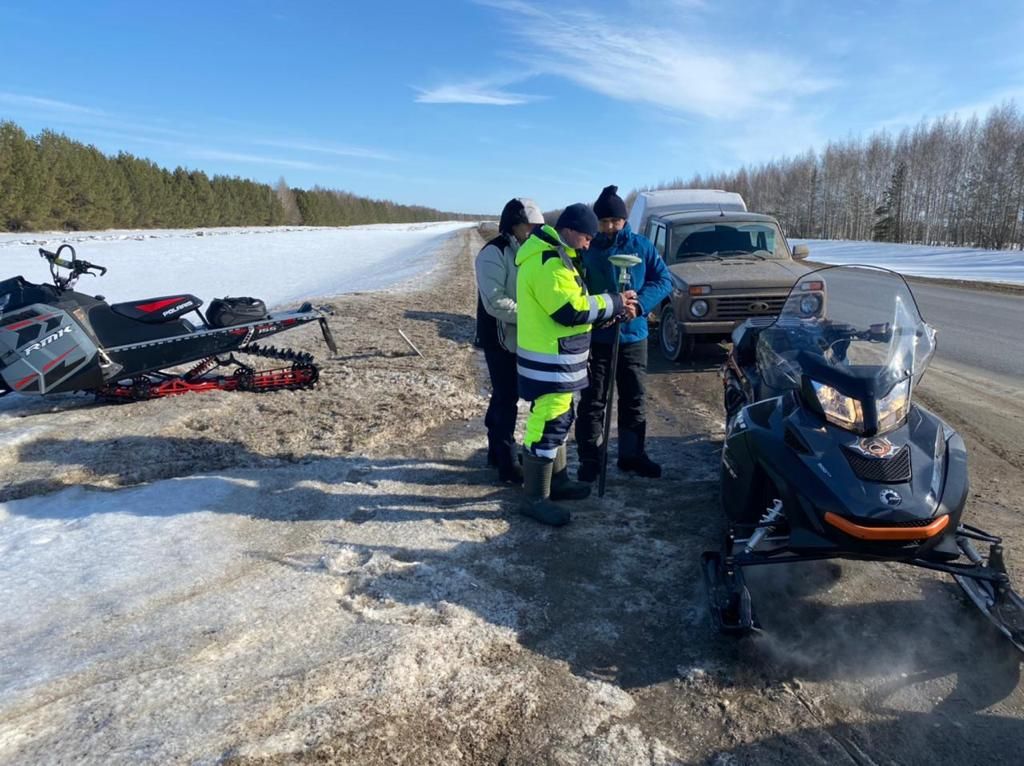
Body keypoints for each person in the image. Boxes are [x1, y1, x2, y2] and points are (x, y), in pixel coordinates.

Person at [515, 203, 638, 525]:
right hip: (549, 361)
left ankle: (556, 481)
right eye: (587, 236)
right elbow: (570, 310)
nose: (589, 243)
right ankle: (534, 498)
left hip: (559, 357)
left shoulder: (558, 257)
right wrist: (613, 301)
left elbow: (573, 314)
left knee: (561, 417)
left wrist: (608, 315)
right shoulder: (548, 262)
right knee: (548, 424)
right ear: (569, 230)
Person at [576, 185, 673, 481]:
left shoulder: (641, 247)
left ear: (623, 219)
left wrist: (639, 305)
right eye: (603, 221)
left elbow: (663, 280)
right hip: (599, 336)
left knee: (634, 397)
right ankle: (591, 459)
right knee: (594, 399)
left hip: (633, 336)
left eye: (613, 221)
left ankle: (632, 455)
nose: (608, 227)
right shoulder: (588, 249)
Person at [474, 197, 545, 484]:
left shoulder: (531, 252)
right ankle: (506, 461)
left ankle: (496, 448)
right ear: (513, 225)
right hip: (499, 337)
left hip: (522, 334)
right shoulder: (493, 253)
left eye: (536, 226)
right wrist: (536, 316)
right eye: (529, 225)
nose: (533, 231)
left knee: (505, 395)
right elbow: (496, 302)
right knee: (507, 398)